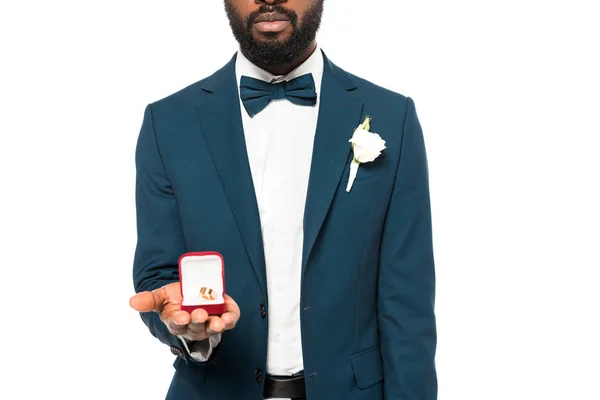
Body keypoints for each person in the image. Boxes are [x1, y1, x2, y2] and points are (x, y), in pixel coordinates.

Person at [129, 0, 437, 399]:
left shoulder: (392, 117)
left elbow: (407, 310)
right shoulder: (167, 123)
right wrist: (187, 327)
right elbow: (158, 279)